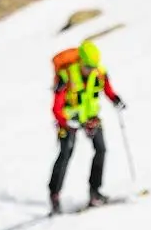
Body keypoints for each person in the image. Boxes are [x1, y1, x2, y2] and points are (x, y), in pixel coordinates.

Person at [49, 40, 127, 214]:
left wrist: (115, 99)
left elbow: (107, 90)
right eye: (88, 67)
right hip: (68, 120)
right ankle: (54, 195)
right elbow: (56, 107)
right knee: (65, 154)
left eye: (93, 66)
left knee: (101, 149)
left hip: (90, 118)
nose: (91, 70)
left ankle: (95, 192)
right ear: (80, 62)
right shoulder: (66, 76)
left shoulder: (99, 73)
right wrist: (65, 121)